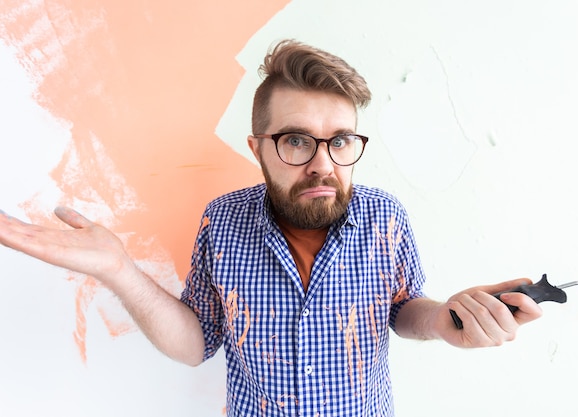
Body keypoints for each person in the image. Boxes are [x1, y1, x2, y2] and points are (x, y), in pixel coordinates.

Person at [0, 40, 542, 416]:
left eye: (341, 140)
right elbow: (197, 343)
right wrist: (118, 269)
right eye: (297, 140)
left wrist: (447, 320)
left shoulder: (386, 216)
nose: (323, 164)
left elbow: (402, 309)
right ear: (258, 149)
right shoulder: (223, 221)